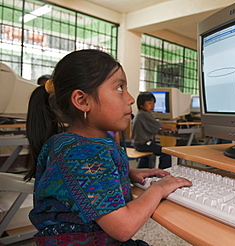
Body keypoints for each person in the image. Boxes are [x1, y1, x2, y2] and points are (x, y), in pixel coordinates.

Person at [25, 49, 192, 245]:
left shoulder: (68, 143)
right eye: (120, 87)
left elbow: (78, 178)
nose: (130, 99)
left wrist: (126, 172)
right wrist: (159, 189)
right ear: (82, 101)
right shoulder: (83, 153)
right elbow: (123, 228)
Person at [131, 92, 178, 169]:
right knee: (166, 153)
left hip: (138, 144)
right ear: (141, 105)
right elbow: (157, 124)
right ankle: (163, 173)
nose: (152, 106)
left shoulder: (139, 114)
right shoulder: (144, 114)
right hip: (144, 145)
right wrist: (170, 127)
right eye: (149, 103)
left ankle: (143, 171)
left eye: (153, 104)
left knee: (147, 157)